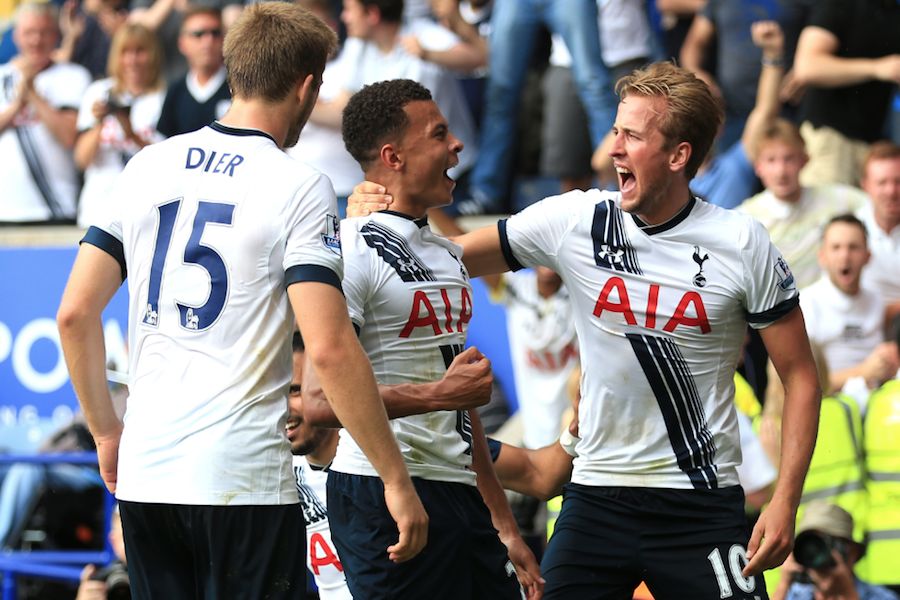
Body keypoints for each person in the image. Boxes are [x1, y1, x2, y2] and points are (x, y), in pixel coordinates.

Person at [351, 61, 822, 598]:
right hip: (596, 494)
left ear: (678, 155)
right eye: (615, 130)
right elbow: (442, 262)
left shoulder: (742, 242)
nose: (612, 148)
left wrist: (785, 501)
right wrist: (377, 218)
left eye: (631, 136)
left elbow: (801, 377)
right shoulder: (578, 219)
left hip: (700, 501)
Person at [56, 4, 427, 599]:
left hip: (148, 478)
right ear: (308, 87)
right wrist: (394, 477)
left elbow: (74, 314)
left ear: (233, 76)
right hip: (242, 478)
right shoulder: (298, 185)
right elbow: (329, 348)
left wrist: (107, 435)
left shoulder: (146, 165)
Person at [322, 78, 540, 599]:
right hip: (380, 493)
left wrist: (505, 525)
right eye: (440, 133)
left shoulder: (449, 257)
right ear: (393, 156)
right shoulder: (346, 249)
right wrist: (441, 396)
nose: (457, 144)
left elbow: (463, 414)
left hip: (461, 493)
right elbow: (318, 402)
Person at [792, 0, 900, 187]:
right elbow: (807, 67)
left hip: (873, 144)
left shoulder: (893, 12)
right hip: (830, 139)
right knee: (827, 214)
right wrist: (876, 68)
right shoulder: (840, 4)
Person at [0, 1, 90, 224]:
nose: (36, 40)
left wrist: (32, 93)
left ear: (55, 36)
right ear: (16, 36)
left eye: (44, 32)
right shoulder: (2, 76)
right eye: (29, 33)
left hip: (56, 208)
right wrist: (14, 110)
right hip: (6, 209)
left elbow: (68, 136)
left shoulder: (73, 76)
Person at [74, 23, 166, 229]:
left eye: (139, 51)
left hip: (146, 217)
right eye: (125, 52)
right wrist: (99, 122)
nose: (131, 60)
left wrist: (130, 131)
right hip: (97, 211)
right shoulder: (98, 92)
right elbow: (81, 159)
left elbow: (166, 164)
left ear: (153, 55)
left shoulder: (164, 97)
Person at [799, 215, 899, 396]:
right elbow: (800, 382)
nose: (845, 256)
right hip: (830, 405)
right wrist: (863, 372)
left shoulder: (876, 301)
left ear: (868, 256)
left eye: (853, 247)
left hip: (877, 401)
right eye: (836, 248)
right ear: (822, 256)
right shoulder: (807, 303)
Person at [772, 502, 899, 600]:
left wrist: (847, 592)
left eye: (824, 544)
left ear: (852, 552)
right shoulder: (795, 594)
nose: (816, 552)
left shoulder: (881, 597)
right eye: (811, 544)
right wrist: (784, 583)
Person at [155, 6, 231, 138]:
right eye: (198, 34)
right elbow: (163, 144)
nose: (208, 41)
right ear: (182, 43)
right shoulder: (175, 91)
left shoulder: (240, 88)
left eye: (215, 33)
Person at [856, 142, 900, 325]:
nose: (891, 191)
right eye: (882, 182)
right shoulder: (850, 230)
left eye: (898, 181)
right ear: (865, 185)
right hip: (861, 332)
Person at [76, 504, 130, 600]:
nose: (133, 545)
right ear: (114, 541)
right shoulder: (102, 580)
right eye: (126, 537)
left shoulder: (162, 578)